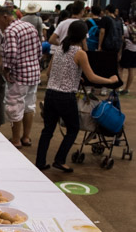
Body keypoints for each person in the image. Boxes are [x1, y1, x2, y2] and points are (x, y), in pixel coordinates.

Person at [35, 20, 118, 172]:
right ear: (83, 36)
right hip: (66, 97)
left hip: (51, 94)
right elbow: (92, 77)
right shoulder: (80, 53)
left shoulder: (59, 49)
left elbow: (49, 72)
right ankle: (59, 160)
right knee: (73, 129)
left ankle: (40, 162)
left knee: (48, 130)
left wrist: (73, 75)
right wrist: (110, 80)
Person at [0, 6, 41, 147]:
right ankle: (26, 137)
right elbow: (39, 49)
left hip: (19, 75)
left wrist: (6, 69)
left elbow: (11, 53)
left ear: (5, 17)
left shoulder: (10, 31)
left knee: (14, 107)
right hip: (33, 73)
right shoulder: (29, 26)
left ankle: (16, 140)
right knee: (29, 106)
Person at [119, 17, 136, 94]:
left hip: (128, 49)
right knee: (132, 69)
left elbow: (123, 38)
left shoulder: (128, 28)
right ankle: (126, 89)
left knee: (120, 67)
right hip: (135, 51)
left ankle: (117, 88)